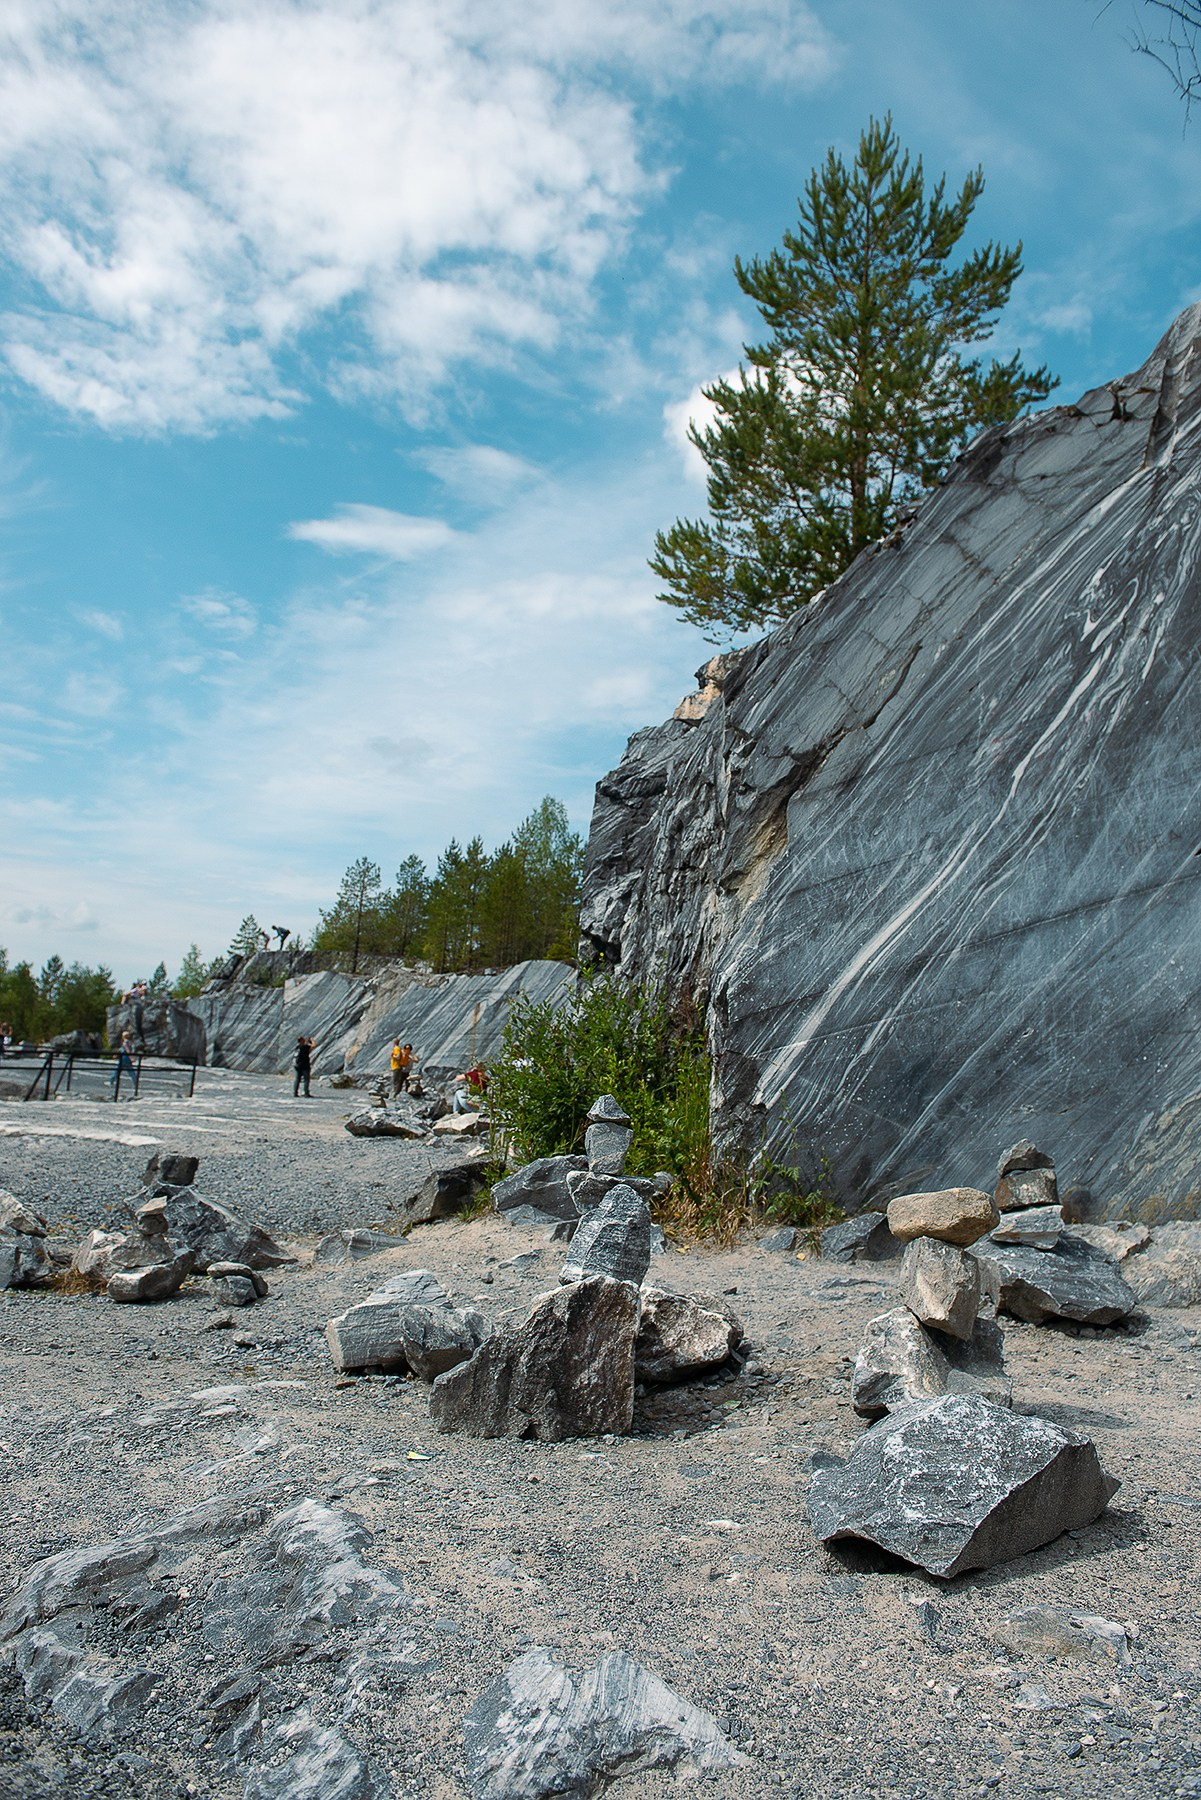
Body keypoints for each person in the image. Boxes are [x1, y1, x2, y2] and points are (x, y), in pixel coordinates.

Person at [110, 1030, 137, 1098]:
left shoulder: (125, 1043)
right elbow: (123, 1050)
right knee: (131, 1071)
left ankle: (112, 1081)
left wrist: (131, 1058)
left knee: (117, 1070)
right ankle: (135, 1083)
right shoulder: (130, 1042)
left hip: (124, 1058)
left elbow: (127, 1051)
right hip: (127, 1058)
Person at [293, 1034, 314, 1098]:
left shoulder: (297, 1047)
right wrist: (312, 1041)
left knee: (297, 1079)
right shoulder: (304, 1047)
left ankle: (295, 1093)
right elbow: (313, 1046)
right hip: (304, 1066)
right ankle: (306, 1093)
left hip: (296, 1066)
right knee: (306, 1080)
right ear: (302, 1040)